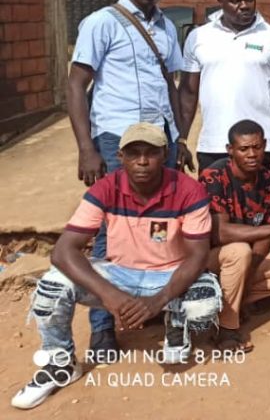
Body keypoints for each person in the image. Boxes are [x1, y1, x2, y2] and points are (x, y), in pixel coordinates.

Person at [11, 123, 220, 410]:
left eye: (151, 153)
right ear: (120, 157)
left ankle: (176, 325)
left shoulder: (188, 190)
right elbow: (62, 252)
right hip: (121, 274)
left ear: (166, 154)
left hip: (169, 273)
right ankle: (60, 363)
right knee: (52, 284)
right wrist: (113, 297)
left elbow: (197, 256)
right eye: (134, 154)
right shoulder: (106, 188)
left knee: (204, 303)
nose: (143, 162)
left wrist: (156, 301)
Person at [66, 0, 192, 357]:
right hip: (116, 139)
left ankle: (160, 309)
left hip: (162, 140)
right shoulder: (101, 22)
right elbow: (76, 84)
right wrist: (86, 147)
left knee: (164, 223)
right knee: (109, 229)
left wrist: (181, 135)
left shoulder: (167, 27)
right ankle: (103, 327)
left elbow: (171, 83)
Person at [200, 119, 270, 352]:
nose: (252, 154)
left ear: (265, 145)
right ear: (230, 150)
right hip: (210, 261)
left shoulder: (267, 177)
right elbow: (221, 232)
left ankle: (230, 302)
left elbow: (266, 235)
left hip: (245, 262)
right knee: (239, 250)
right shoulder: (214, 175)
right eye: (244, 149)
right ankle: (227, 329)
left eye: (257, 147)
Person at [179, 0, 270, 172]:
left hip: (259, 147)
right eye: (235, 1)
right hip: (213, 144)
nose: (244, 5)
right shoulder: (199, 36)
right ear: (220, 2)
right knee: (214, 203)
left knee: (259, 203)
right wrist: (182, 139)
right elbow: (188, 93)